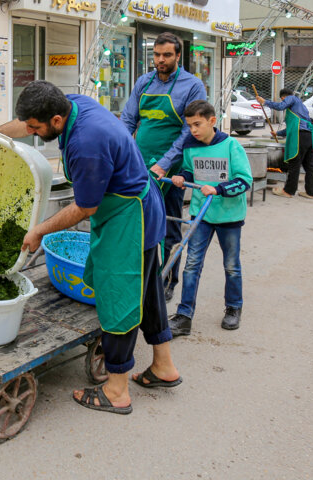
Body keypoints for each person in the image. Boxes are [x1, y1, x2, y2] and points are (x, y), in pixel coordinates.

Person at [0, 80, 181, 415]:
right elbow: (24, 123)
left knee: (118, 297)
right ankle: (164, 367)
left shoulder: (86, 143)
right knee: (148, 287)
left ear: (55, 120)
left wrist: (38, 230)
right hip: (133, 205)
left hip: (129, 217)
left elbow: (84, 208)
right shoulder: (68, 103)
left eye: (37, 128)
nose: (32, 134)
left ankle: (116, 389)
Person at [121, 32, 207, 302]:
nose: (160, 60)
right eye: (156, 55)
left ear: (178, 56)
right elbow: (128, 120)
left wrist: (164, 164)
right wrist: (123, 153)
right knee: (135, 220)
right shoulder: (143, 82)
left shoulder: (192, 86)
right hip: (139, 163)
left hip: (171, 168)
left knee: (169, 224)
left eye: (167, 55)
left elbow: (188, 131)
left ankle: (169, 279)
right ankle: (139, 275)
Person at [167, 100, 253, 335]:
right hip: (201, 214)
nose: (193, 130)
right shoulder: (190, 146)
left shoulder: (231, 145)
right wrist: (181, 177)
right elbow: (189, 170)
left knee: (231, 265)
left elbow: (245, 181)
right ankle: (184, 315)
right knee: (192, 264)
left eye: (197, 124)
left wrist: (218, 189)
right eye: (190, 125)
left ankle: (234, 308)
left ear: (212, 121)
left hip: (229, 216)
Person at [256, 88, 313, 199]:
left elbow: (280, 107)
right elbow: (290, 128)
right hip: (310, 136)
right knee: (309, 166)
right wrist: (277, 133)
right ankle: (311, 193)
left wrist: (264, 102)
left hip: (300, 136)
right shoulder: (300, 107)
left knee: (294, 164)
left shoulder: (291, 98)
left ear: (283, 97)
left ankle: (288, 191)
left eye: (282, 100)